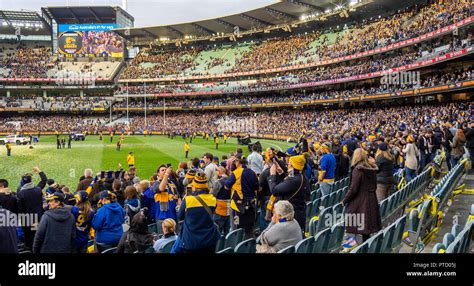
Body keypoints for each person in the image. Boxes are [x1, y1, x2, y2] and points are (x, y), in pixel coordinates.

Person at [342, 148, 382, 250]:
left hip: (360, 201)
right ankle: (364, 247)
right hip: (371, 199)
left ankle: (352, 246)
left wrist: (344, 200)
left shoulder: (358, 170)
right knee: (366, 229)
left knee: (354, 223)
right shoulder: (371, 169)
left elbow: (353, 189)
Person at [174, 172, 220, 253]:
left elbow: (179, 216)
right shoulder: (213, 199)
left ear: (194, 185)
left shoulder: (188, 200)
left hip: (191, 241)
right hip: (209, 239)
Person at [267, 153, 310, 230]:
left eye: (289, 164)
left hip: (290, 217)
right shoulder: (302, 176)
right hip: (298, 214)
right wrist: (281, 172)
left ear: (293, 166)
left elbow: (274, 190)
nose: (288, 165)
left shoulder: (294, 180)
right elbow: (288, 184)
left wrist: (272, 175)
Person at [225, 154, 259, 239]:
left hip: (238, 207)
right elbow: (257, 188)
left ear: (238, 162)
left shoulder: (236, 173)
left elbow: (226, 186)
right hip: (251, 206)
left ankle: (237, 245)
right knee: (249, 228)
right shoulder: (252, 172)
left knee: (236, 229)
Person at [17, 166, 48, 251]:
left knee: (28, 237)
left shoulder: (20, 193)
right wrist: (40, 171)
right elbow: (44, 181)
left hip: (26, 219)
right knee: (37, 235)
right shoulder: (38, 190)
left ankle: (29, 249)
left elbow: (20, 208)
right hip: (38, 217)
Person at [212, 166, 231, 236]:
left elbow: (213, 194)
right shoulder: (230, 179)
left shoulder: (218, 182)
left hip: (220, 208)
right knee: (227, 230)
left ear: (219, 172)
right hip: (229, 206)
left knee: (217, 230)